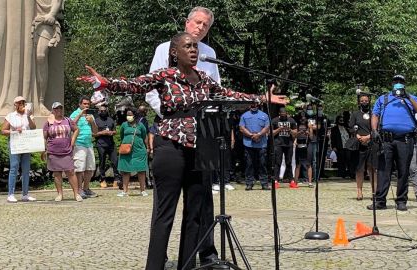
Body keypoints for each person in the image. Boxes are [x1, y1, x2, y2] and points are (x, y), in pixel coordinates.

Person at [78, 32, 279, 270]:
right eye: (188, 46)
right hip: (170, 147)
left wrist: (260, 98)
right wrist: (106, 82)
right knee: (165, 214)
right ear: (175, 52)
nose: (194, 50)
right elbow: (135, 84)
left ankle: (186, 266)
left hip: (200, 149)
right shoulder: (166, 76)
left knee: (194, 214)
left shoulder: (204, 78)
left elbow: (229, 95)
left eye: (195, 46)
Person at [147, 6, 220, 266]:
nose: (200, 28)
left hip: (203, 133)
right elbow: (150, 89)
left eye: (205, 25)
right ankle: (160, 256)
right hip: (172, 129)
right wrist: (171, 114)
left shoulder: (210, 54)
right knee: (166, 202)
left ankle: (204, 251)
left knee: (201, 201)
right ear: (188, 22)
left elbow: (216, 93)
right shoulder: (164, 49)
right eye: (197, 22)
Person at [368, 74, 417, 211]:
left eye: (401, 82)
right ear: (392, 83)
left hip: (405, 139)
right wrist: (374, 130)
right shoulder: (384, 98)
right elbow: (375, 114)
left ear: (404, 84)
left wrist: (409, 98)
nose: (398, 83)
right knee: (383, 171)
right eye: (396, 81)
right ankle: (380, 201)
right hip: (386, 140)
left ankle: (401, 201)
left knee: (403, 171)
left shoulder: (412, 98)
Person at [42, 102, 82, 202]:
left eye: (60, 108)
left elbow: (76, 130)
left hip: (67, 150)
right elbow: (44, 137)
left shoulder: (68, 120)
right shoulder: (48, 123)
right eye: (56, 108)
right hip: (53, 151)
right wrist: (43, 150)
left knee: (71, 172)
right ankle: (60, 194)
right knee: (57, 173)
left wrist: (73, 140)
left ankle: (76, 194)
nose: (58, 110)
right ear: (53, 110)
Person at [0, 96, 37, 203]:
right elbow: (3, 131)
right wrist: (14, 131)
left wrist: (29, 117)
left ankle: (25, 194)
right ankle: (10, 194)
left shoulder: (29, 115)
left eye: (23, 103)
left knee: (26, 169)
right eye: (19, 103)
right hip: (15, 144)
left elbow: (33, 127)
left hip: (26, 144)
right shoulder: (10, 116)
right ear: (15, 104)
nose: (21, 105)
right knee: (14, 168)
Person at [32, 0, 64, 115]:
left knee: (41, 56)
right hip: (27, 22)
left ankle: (40, 101)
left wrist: (52, 13)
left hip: (45, 22)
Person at [70, 96, 98, 199]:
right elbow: (71, 125)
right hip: (79, 144)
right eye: (84, 104)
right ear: (80, 104)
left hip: (89, 144)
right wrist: (80, 114)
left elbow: (95, 132)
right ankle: (79, 190)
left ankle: (86, 188)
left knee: (90, 168)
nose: (86, 106)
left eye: (88, 104)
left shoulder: (90, 115)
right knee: (79, 168)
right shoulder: (75, 113)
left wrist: (92, 122)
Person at [349, 94, 376, 200]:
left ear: (369, 101)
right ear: (359, 102)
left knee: (372, 168)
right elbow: (351, 128)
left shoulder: (374, 114)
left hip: (371, 143)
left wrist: (369, 137)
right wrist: (358, 136)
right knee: (359, 169)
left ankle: (374, 191)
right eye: (362, 101)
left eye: (366, 100)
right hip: (359, 144)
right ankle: (359, 192)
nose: (364, 102)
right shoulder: (355, 114)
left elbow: (377, 127)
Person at [117, 107, 149, 197]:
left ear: (135, 115)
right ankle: (125, 191)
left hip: (139, 150)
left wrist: (148, 148)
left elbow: (144, 136)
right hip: (126, 150)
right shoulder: (124, 125)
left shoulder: (140, 125)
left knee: (141, 170)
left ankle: (142, 190)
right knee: (125, 170)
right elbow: (122, 135)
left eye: (130, 115)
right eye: (127, 115)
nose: (128, 116)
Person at [240, 102, 271, 190]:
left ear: (258, 105)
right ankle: (249, 183)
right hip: (248, 143)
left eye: (255, 105)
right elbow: (242, 128)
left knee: (263, 164)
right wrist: (251, 135)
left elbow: (267, 127)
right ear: (249, 105)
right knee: (249, 164)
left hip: (262, 144)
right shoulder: (244, 115)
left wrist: (259, 135)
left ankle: (264, 184)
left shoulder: (264, 115)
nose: (254, 106)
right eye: (252, 105)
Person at [94, 104, 121, 188]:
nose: (103, 112)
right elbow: (93, 134)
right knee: (102, 162)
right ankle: (102, 179)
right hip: (101, 144)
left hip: (111, 144)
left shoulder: (110, 120)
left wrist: (112, 132)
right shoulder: (96, 121)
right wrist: (102, 133)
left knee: (115, 161)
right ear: (99, 112)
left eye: (104, 111)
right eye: (101, 111)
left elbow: (115, 131)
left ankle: (116, 179)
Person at [271, 107, 297, 183]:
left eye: (285, 114)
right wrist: (279, 129)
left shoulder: (291, 120)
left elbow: (295, 133)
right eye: (282, 115)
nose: (284, 116)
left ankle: (291, 179)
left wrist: (290, 130)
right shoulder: (275, 120)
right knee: (277, 162)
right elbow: (270, 133)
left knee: (289, 162)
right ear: (279, 114)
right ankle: (276, 179)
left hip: (289, 144)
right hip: (278, 144)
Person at [294, 117, 314, 186]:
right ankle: (295, 182)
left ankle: (310, 182)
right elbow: (294, 135)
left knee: (308, 164)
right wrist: (300, 132)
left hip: (307, 146)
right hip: (299, 146)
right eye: (302, 119)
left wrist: (309, 131)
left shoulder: (309, 126)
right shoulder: (297, 125)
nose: (303, 120)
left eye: (304, 119)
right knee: (298, 164)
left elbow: (311, 137)